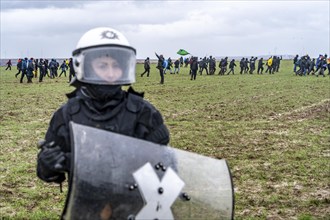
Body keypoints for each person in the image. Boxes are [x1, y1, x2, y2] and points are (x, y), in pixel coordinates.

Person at [36, 27, 170, 199]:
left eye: (116, 65)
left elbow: (164, 169)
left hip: (133, 206)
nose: (111, 73)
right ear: (84, 66)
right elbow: (49, 174)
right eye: (102, 66)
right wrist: (48, 164)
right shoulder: (66, 115)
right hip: (84, 208)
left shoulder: (144, 113)